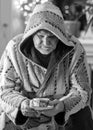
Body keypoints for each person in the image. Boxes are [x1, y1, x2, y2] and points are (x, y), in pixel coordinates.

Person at [0, 2, 92, 130]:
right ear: (31, 33)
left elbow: (82, 90)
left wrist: (62, 106)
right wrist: (22, 105)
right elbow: (5, 91)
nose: (46, 42)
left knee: (83, 112)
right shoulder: (13, 49)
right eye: (40, 36)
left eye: (52, 37)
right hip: (27, 110)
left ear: (60, 36)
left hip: (62, 110)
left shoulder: (75, 49)